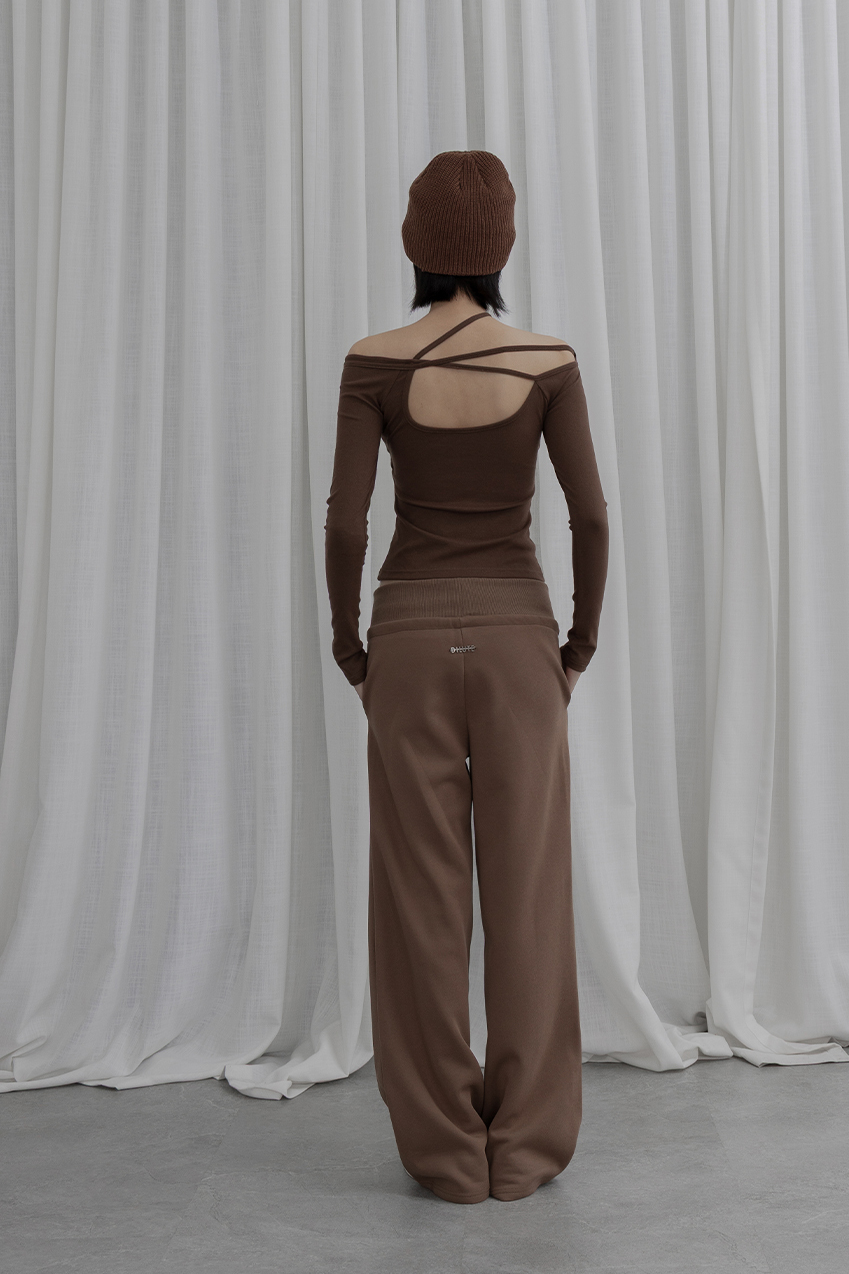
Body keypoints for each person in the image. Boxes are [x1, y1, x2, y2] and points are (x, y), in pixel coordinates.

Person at [324, 150, 609, 1205]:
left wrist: (350, 648)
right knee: (527, 894)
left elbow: (347, 523)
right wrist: (575, 648)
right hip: (520, 641)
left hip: (405, 637)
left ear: (414, 243)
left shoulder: (373, 360)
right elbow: (590, 518)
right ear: (502, 248)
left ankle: (447, 1154)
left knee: (420, 898)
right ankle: (525, 1149)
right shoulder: (546, 360)